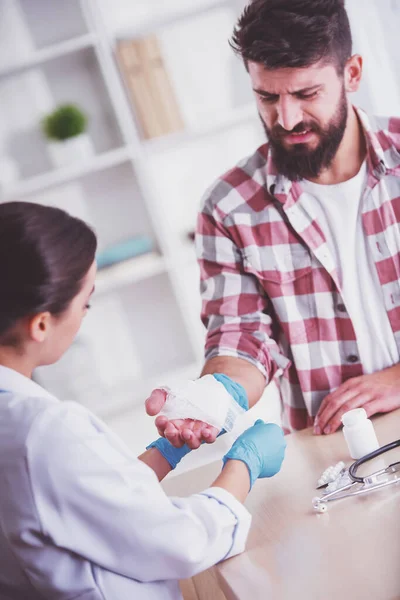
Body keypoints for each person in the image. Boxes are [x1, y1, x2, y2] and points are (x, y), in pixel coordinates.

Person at [145, 0, 400, 452]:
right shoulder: (229, 209)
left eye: (306, 94)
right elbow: (240, 336)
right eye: (267, 96)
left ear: (352, 74)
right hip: (339, 454)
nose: (287, 119)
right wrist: (210, 398)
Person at [0, 201, 286, 600]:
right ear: (42, 324)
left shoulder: (17, 421)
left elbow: (86, 506)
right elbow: (183, 541)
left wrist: (166, 452)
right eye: (85, 303)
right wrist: (244, 464)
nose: (85, 315)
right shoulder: (40, 431)